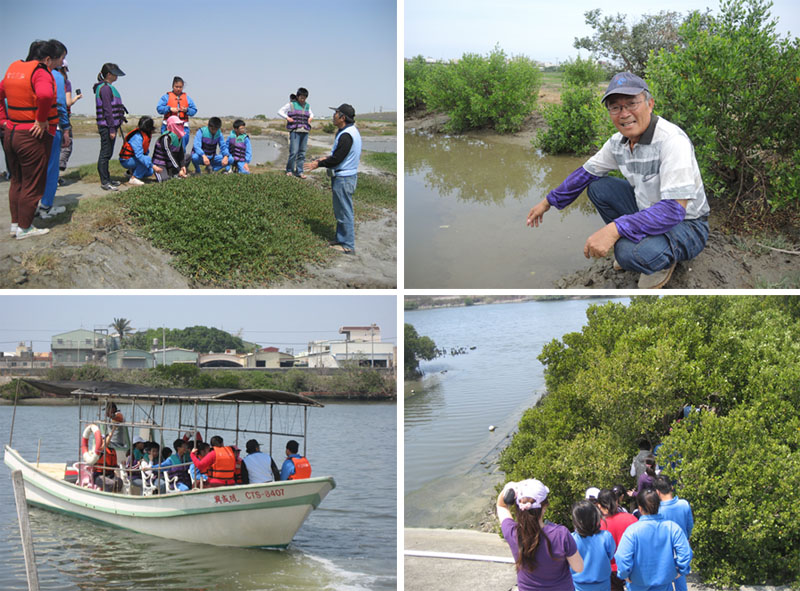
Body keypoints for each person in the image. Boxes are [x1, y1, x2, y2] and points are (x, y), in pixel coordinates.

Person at [526, 72, 710, 289]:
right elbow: (585, 174)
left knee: (626, 253)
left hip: (687, 224)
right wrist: (547, 203)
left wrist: (614, 229)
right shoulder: (618, 143)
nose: (624, 114)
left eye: (632, 103)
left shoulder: (671, 141)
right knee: (598, 187)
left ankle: (660, 262)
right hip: (647, 210)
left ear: (650, 104)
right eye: (616, 107)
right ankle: (638, 243)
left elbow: (673, 210)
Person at [0, 39, 67, 239]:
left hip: (11, 133)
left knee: (17, 181)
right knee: (32, 183)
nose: (59, 65)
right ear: (47, 59)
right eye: (57, 61)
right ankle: (26, 227)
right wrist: (40, 119)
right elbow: (46, 95)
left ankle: (16, 224)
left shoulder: (14, 68)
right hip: (31, 136)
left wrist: (3, 118)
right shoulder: (40, 72)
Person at [497, 479, 583, 591]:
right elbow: (578, 568)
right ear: (545, 506)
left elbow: (501, 506)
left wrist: (509, 488)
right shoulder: (561, 534)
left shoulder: (513, 533)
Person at [304, 103, 362, 254]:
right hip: (345, 177)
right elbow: (340, 155)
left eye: (336, 113)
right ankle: (341, 239)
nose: (333, 116)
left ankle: (348, 245)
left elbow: (337, 159)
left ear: (342, 117)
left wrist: (318, 163)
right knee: (341, 211)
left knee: (344, 212)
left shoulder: (346, 135)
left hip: (344, 178)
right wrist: (326, 158)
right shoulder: (348, 131)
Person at [614, 489, 692, 591]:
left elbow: (622, 557)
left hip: (638, 584)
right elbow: (685, 553)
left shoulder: (632, 531)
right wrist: (681, 570)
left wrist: (624, 574)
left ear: (640, 508)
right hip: (664, 584)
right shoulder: (672, 528)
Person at [38, 56, 70, 219]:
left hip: (29, 128)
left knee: (33, 169)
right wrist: (65, 128)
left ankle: (28, 210)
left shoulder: (31, 73)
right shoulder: (56, 77)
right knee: (51, 169)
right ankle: (45, 206)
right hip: (52, 128)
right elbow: (60, 104)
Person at [655, 475, 694, 591]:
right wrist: (686, 538)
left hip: (664, 552)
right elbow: (689, 525)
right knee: (681, 582)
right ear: (671, 487)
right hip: (681, 548)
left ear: (657, 492)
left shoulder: (656, 509)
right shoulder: (684, 504)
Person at [93, 62, 127, 191]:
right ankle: (105, 182)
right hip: (106, 127)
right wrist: (112, 128)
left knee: (107, 153)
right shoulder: (105, 88)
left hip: (109, 126)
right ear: (109, 75)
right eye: (115, 74)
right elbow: (107, 110)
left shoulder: (106, 87)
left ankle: (107, 178)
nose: (117, 76)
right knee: (105, 154)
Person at [597, 488, 638, 591]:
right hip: (632, 566)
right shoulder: (631, 519)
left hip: (609, 570)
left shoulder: (597, 525)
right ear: (616, 502)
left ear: (599, 505)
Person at [571, 500, 616, 591]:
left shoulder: (571, 539)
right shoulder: (606, 536)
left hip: (579, 586)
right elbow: (610, 555)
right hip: (603, 584)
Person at [278, 88, 314, 178]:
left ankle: (300, 171)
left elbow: (311, 114)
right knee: (293, 152)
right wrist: (287, 118)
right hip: (295, 131)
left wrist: (310, 118)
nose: (303, 99)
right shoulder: (291, 104)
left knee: (302, 152)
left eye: (304, 98)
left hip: (305, 131)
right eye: (301, 97)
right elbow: (280, 111)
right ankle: (289, 170)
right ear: (297, 96)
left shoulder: (307, 105)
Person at [156, 76, 197, 150]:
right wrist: (169, 109)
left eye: (180, 87)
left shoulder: (187, 98)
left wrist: (187, 110)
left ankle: (181, 160)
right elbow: (159, 109)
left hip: (183, 127)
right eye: (176, 87)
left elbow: (194, 110)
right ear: (173, 86)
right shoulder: (166, 97)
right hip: (168, 126)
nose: (178, 89)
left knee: (182, 148)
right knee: (167, 146)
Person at [58, 60, 80, 178]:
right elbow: (67, 102)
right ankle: (57, 172)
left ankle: (50, 177)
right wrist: (76, 97)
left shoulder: (47, 78)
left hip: (47, 119)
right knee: (66, 145)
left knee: (51, 149)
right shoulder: (66, 82)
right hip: (62, 118)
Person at [118, 116, 155, 185]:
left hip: (134, 158)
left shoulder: (146, 135)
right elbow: (139, 156)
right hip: (126, 160)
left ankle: (130, 173)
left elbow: (144, 152)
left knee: (150, 171)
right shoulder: (137, 137)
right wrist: (152, 165)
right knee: (145, 161)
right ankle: (133, 178)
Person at [152, 115, 189, 182]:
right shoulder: (166, 137)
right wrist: (178, 169)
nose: (180, 126)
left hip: (170, 163)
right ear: (171, 125)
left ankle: (174, 173)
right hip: (161, 162)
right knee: (164, 180)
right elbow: (169, 155)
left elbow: (181, 153)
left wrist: (183, 165)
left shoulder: (179, 137)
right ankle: (173, 173)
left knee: (188, 156)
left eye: (180, 124)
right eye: (177, 124)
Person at [93, 427, 120, 492]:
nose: (105, 440)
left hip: (110, 474)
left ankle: (116, 498)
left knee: (120, 482)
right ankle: (108, 498)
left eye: (105, 439)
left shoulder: (112, 450)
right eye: (103, 439)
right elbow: (104, 445)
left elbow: (115, 466)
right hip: (99, 476)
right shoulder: (99, 451)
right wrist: (113, 431)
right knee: (111, 484)